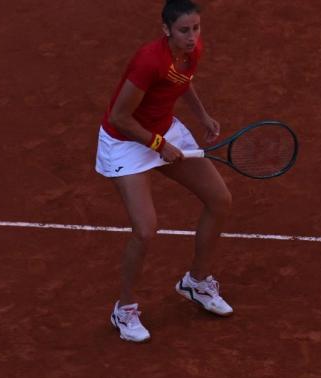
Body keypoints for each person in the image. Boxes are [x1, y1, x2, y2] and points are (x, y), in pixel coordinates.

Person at [96, 0, 233, 342]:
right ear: (166, 30)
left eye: (196, 29)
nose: (192, 37)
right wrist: (158, 145)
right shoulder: (148, 61)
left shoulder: (191, 51)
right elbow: (119, 118)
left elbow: (182, 82)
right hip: (126, 141)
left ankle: (196, 283)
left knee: (220, 200)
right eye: (184, 30)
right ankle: (124, 309)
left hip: (163, 131)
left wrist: (202, 117)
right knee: (145, 229)